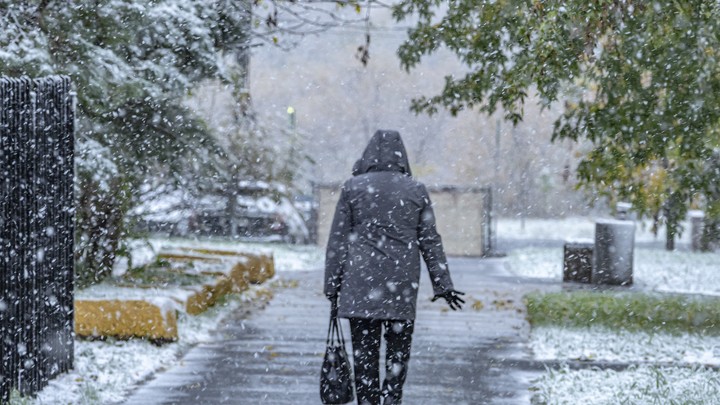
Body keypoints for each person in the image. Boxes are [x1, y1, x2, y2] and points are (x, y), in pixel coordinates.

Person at [324, 130, 465, 405]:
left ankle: (369, 401)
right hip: (401, 285)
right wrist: (443, 283)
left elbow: (338, 241)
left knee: (365, 357)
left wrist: (331, 286)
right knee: (397, 355)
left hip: (360, 284)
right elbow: (429, 240)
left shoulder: (352, 188)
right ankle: (391, 399)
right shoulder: (415, 190)